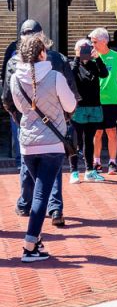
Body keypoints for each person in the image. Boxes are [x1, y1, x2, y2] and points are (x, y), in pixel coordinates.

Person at [3, 19, 80, 227]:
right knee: (51, 169)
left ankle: (26, 203)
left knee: (28, 164)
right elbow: (72, 95)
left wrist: (19, 117)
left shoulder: (13, 61)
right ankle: (54, 208)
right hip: (54, 123)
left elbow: (6, 98)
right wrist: (63, 118)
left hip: (26, 121)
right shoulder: (58, 58)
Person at [11, 34, 77, 261]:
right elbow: (70, 105)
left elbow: (20, 108)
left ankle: (36, 241)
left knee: (37, 189)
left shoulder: (15, 79)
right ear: (41, 54)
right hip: (52, 142)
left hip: (28, 143)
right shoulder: (55, 77)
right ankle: (29, 245)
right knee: (42, 195)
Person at [69, 38, 108, 182]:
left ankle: (89, 170)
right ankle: (74, 171)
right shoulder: (73, 65)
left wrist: (98, 58)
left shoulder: (94, 64)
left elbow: (104, 74)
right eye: (81, 48)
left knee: (89, 140)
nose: (85, 50)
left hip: (94, 107)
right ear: (76, 50)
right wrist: (77, 58)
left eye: (87, 48)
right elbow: (71, 78)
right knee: (75, 140)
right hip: (79, 108)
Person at [89, 27, 117, 175]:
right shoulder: (91, 58)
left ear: (104, 41)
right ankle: (96, 161)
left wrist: (115, 92)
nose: (93, 45)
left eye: (95, 42)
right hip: (96, 101)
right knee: (97, 132)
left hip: (112, 101)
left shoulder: (116, 56)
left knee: (112, 131)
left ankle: (112, 162)